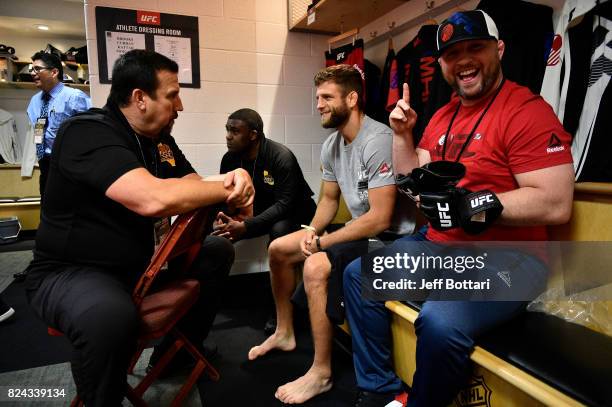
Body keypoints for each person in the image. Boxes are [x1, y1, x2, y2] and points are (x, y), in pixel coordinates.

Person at [342, 10, 575, 407]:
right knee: (357, 277)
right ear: (443, 65)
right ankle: (382, 391)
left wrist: (475, 205)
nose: (463, 60)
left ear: (498, 49)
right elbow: (413, 179)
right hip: (439, 244)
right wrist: (402, 135)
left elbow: (555, 203)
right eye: (452, 54)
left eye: (475, 47)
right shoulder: (443, 115)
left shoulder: (527, 111)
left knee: (441, 320)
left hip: (509, 257)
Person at [23, 50, 254, 406]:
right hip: (73, 272)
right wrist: (229, 183)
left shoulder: (159, 140)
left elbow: (191, 183)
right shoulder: (87, 131)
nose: (180, 106)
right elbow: (153, 199)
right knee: (109, 317)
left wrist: (231, 184)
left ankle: (173, 357)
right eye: (173, 94)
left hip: (141, 264)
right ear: (139, 98)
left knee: (217, 250)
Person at [247, 64, 414, 404]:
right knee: (280, 249)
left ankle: (321, 372)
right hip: (359, 233)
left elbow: (380, 219)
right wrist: (311, 231)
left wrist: (322, 244)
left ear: (352, 99)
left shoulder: (378, 139)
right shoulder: (332, 145)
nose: (319, 105)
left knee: (315, 266)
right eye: (317, 97)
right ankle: (284, 331)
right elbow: (328, 199)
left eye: (326, 97)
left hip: (391, 240)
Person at [214, 108, 317, 333]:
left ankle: (280, 311)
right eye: (227, 130)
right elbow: (226, 198)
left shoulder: (281, 156)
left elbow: (285, 205)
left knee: (279, 232)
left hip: (296, 213)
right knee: (214, 237)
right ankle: (205, 308)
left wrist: (246, 226)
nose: (228, 136)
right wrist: (224, 218)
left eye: (234, 131)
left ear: (253, 134)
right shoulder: (230, 158)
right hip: (262, 213)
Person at [26, 51, 91, 197]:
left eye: (37, 69)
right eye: (31, 69)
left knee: (70, 211)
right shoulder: (34, 102)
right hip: (46, 166)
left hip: (70, 165)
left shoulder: (74, 97)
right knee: (47, 209)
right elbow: (38, 130)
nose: (32, 73)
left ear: (54, 72)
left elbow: (92, 130)